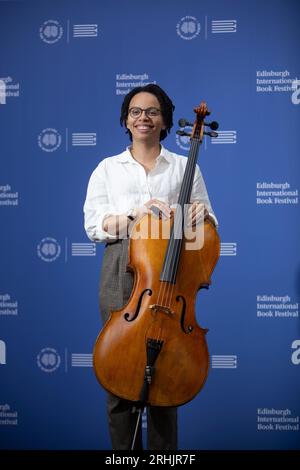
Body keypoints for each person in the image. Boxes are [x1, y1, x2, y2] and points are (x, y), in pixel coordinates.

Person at [83, 84, 218, 450]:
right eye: (136, 111)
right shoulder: (108, 169)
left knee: (165, 386)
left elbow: (207, 227)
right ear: (126, 120)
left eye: (152, 112)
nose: (144, 117)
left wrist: (199, 216)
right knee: (119, 378)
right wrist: (135, 215)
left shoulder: (182, 167)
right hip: (120, 273)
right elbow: (94, 227)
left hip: (169, 278)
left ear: (165, 121)